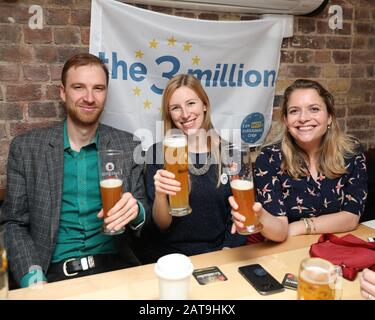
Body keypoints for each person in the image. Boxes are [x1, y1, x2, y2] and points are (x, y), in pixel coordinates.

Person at [0, 53, 149, 288]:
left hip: (117, 269)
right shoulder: (27, 148)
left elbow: (145, 211)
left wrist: (138, 211)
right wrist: (32, 276)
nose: (89, 98)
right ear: (62, 92)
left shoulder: (128, 145)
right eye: (79, 87)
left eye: (98, 88)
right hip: (52, 274)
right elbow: (13, 223)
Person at [231, 79, 367, 241]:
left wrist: (300, 226)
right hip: (285, 250)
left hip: (334, 247)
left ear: (329, 117)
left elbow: (351, 217)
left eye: (314, 109)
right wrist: (260, 214)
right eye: (294, 111)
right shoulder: (269, 158)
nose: (303, 118)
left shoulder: (351, 152)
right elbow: (279, 233)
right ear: (286, 120)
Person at [138, 74, 246, 263]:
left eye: (191, 103)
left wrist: (227, 251)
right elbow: (161, 225)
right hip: (167, 257)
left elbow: (238, 215)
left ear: (204, 104)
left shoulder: (229, 152)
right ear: (169, 114)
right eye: (175, 108)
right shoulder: (157, 153)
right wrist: (161, 195)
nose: (185, 114)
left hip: (217, 254)